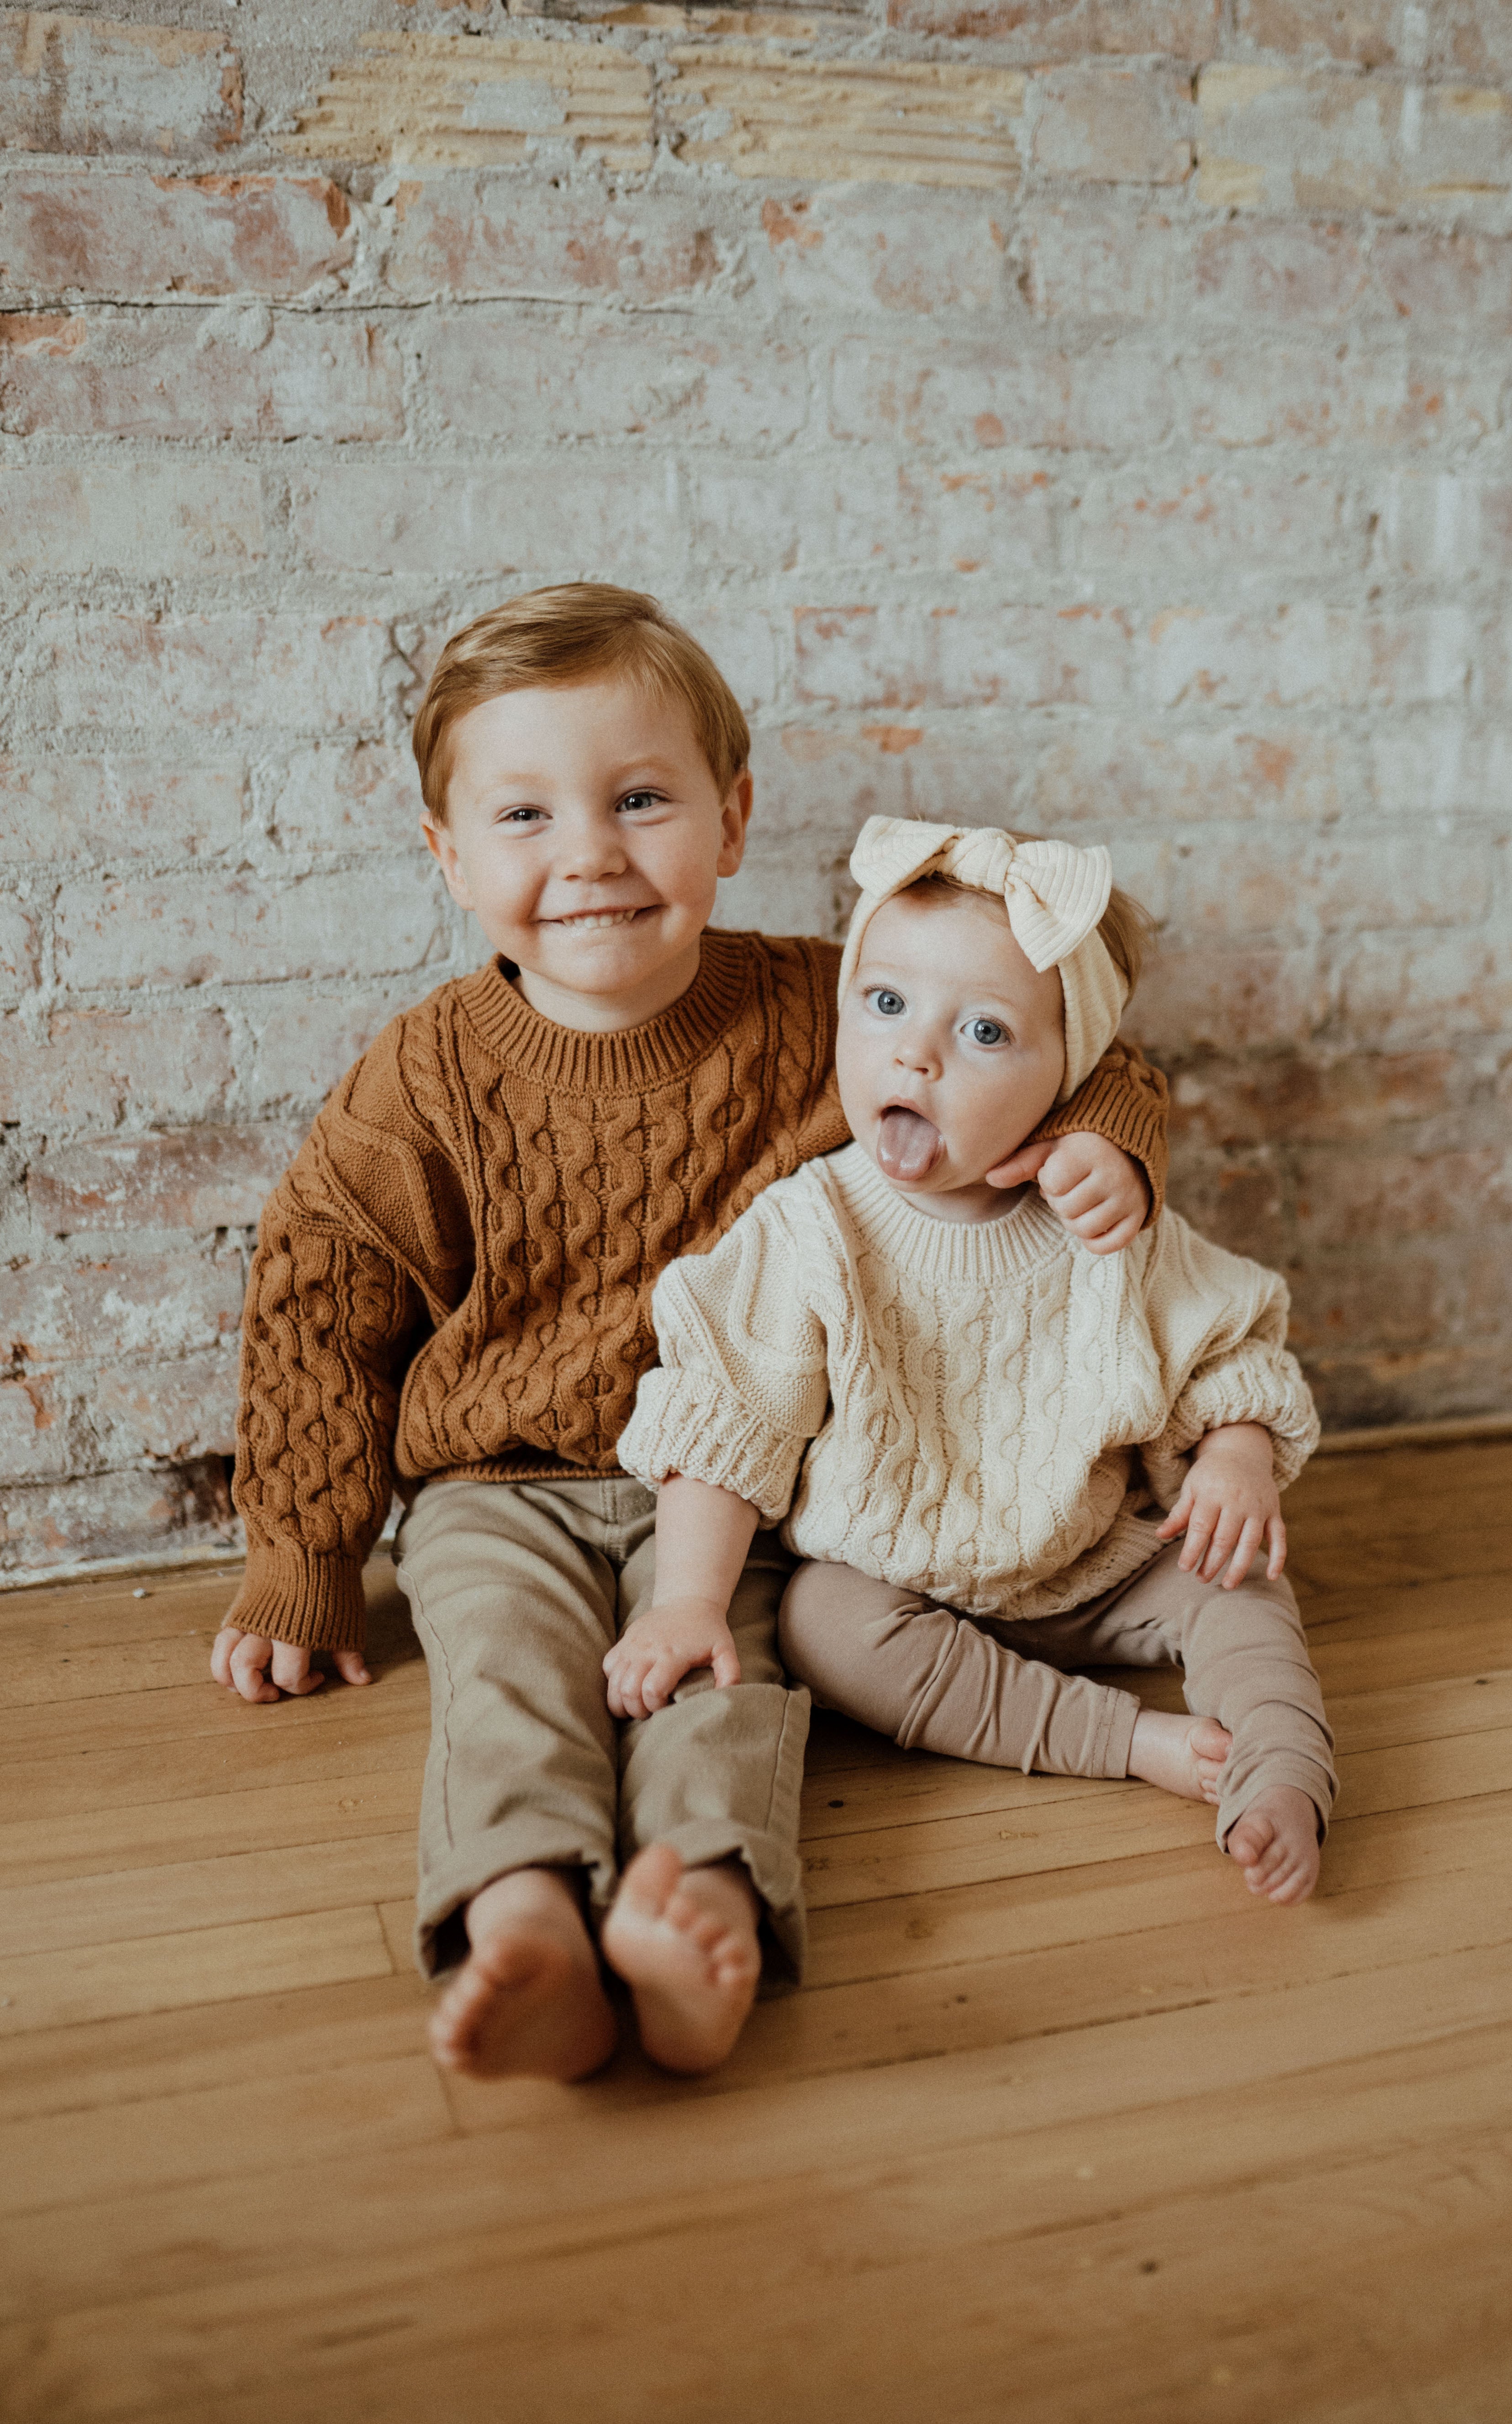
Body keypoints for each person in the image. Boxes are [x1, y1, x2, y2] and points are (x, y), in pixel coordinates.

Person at [212, 589, 1173, 2081]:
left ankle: (698, 1908)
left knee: (728, 1670)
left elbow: (1063, 1039)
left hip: (740, 1491)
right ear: (447, 855)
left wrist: (1104, 1137)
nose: (589, 852)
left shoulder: (831, 1007)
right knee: (510, 1671)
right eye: (525, 812)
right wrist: (304, 1553)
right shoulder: (428, 1073)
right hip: (498, 1483)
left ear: (729, 820)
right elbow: (321, 1290)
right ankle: (521, 1912)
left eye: (640, 799)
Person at [616, 817, 1335, 1908]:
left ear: (1070, 1073)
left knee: (1240, 1576)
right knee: (819, 1620)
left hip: (1098, 1558)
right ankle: (1129, 1740)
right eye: (888, 1003)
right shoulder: (812, 1228)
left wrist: (1235, 1456)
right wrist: (685, 1601)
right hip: (903, 1587)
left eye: (986, 1031)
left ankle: (1284, 1767)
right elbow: (729, 1419)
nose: (916, 1053)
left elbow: (1227, 1342)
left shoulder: (1100, 1216)